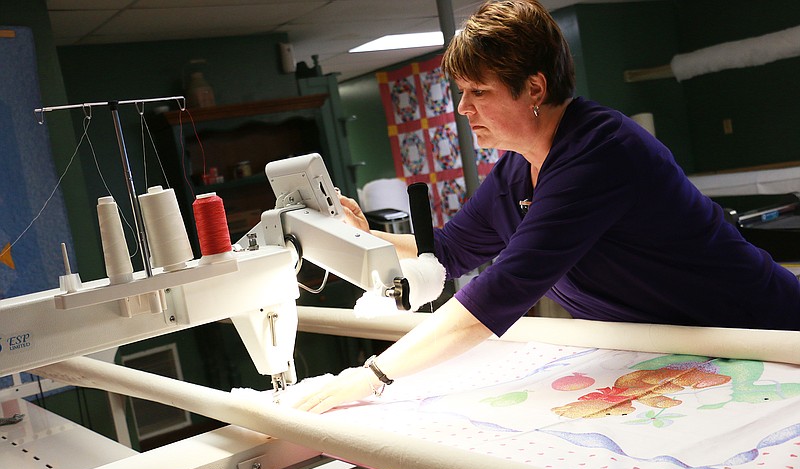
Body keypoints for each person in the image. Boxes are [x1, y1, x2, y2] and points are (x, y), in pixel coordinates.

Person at [294, 0, 800, 413]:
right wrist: (358, 236)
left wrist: (371, 376)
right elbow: (447, 251)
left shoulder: (602, 151)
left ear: (534, 87)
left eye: (478, 92)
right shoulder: (518, 168)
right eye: (461, 92)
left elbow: (498, 295)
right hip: (685, 347)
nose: (463, 108)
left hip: (767, 333)